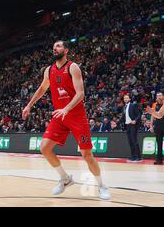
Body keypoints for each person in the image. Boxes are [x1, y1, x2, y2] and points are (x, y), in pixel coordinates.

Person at [22, 40, 110, 200]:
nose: (55, 48)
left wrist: (67, 109)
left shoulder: (73, 67)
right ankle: (65, 178)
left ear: (66, 50)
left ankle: (102, 185)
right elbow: (42, 88)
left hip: (76, 116)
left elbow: (80, 93)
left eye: (59, 46)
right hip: (60, 117)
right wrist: (29, 105)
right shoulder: (49, 70)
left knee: (87, 155)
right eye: (54, 46)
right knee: (45, 148)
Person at [120, 94, 142, 161]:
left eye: (127, 98)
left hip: (133, 125)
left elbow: (139, 114)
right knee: (130, 141)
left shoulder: (133, 105)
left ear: (129, 99)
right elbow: (124, 117)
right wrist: (118, 122)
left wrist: (135, 120)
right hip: (128, 125)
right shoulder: (124, 107)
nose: (125, 99)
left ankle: (138, 156)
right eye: (124, 98)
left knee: (134, 141)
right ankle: (133, 156)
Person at [146, 92, 163, 165]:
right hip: (158, 126)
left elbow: (159, 115)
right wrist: (151, 125)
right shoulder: (155, 104)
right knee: (158, 143)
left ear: (163, 96)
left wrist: (152, 112)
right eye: (157, 96)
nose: (158, 97)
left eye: (160, 96)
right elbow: (153, 116)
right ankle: (159, 160)